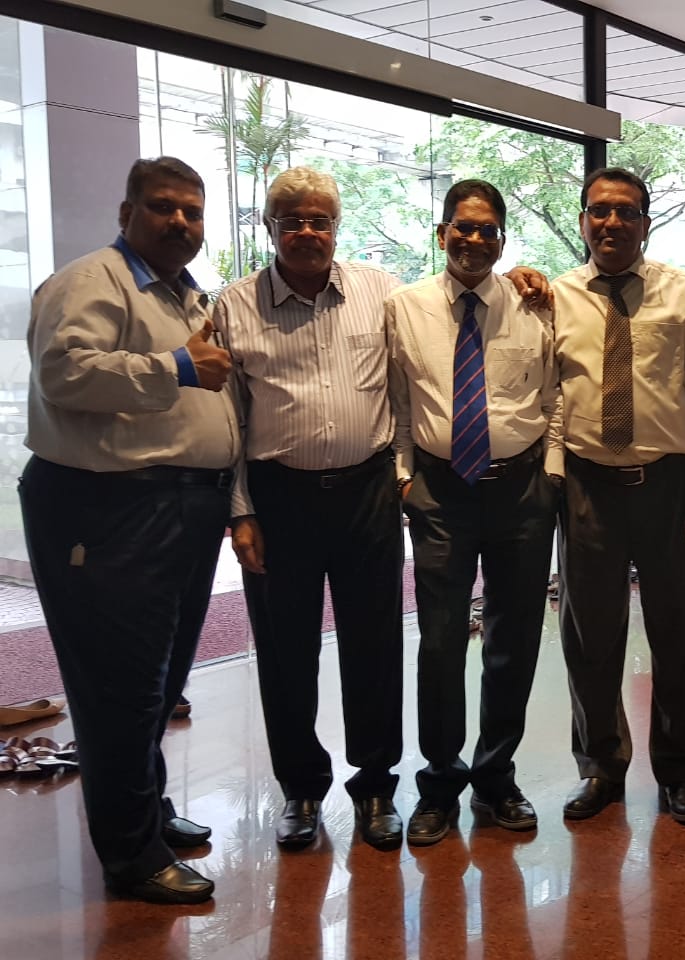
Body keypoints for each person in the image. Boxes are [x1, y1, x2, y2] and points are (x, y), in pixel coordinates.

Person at [20, 157, 236, 904]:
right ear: (127, 213)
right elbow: (64, 373)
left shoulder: (184, 295)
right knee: (121, 688)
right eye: (163, 207)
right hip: (109, 509)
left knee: (160, 681)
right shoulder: (92, 281)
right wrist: (175, 366)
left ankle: (146, 813)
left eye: (192, 212)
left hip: (182, 508)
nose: (180, 222)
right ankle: (131, 856)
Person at [214, 167, 405, 853]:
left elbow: (407, 382)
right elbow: (228, 419)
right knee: (284, 651)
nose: (306, 231)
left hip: (367, 492)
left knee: (375, 645)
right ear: (269, 228)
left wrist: (402, 475)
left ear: (336, 227)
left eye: (319, 219)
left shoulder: (379, 291)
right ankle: (300, 789)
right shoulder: (234, 305)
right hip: (278, 500)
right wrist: (240, 512)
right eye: (291, 219)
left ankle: (376, 785)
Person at [554, 167, 685, 826]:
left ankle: (681, 773)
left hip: (669, 486)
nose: (612, 223)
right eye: (599, 211)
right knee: (589, 637)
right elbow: (546, 391)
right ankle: (600, 767)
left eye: (626, 212)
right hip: (586, 485)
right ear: (583, 222)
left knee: (678, 634)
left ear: (645, 224)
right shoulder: (555, 297)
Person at [385, 179, 561, 846]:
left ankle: (496, 777)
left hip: (521, 492)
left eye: (489, 229)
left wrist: (550, 476)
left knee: (514, 640)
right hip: (439, 493)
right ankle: (439, 782)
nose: (476, 239)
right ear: (442, 234)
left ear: (503, 241)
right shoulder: (405, 307)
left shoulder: (533, 305)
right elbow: (398, 399)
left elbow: (555, 396)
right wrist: (404, 477)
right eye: (464, 226)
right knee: (439, 641)